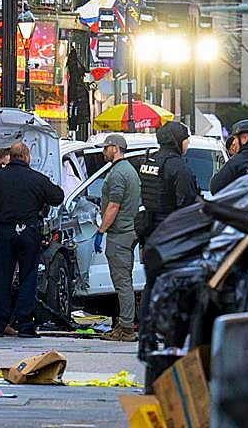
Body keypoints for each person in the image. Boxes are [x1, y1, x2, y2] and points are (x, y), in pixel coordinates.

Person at [0, 140, 64, 338]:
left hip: (5, 232)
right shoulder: (35, 178)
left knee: (3, 278)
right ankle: (25, 325)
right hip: (28, 232)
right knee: (28, 277)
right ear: (26, 156)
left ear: (11, 156)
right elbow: (57, 196)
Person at [96, 134, 141, 342]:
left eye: (106, 148)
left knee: (122, 282)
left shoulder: (117, 173)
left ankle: (126, 328)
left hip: (120, 233)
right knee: (125, 280)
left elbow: (114, 206)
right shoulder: (128, 170)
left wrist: (101, 231)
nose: (103, 152)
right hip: (128, 231)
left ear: (115, 148)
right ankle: (124, 323)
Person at [135, 120, 199, 243]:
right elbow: (187, 202)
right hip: (171, 232)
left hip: (150, 229)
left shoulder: (150, 161)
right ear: (176, 140)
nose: (188, 142)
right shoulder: (179, 167)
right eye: (186, 139)